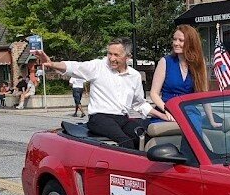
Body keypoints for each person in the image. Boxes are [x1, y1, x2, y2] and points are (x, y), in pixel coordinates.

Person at [32, 38, 169, 148]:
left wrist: (162, 115)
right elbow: (75, 67)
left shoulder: (134, 76)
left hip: (122, 118)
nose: (111, 58)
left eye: (116, 55)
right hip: (100, 118)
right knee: (125, 142)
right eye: (109, 53)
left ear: (127, 57)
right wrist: (52, 63)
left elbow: (139, 104)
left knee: (142, 138)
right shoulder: (98, 66)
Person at [150, 25, 219, 129]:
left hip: (188, 111)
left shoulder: (199, 64)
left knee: (194, 129)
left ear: (191, 43)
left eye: (181, 40)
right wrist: (166, 110)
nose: (176, 43)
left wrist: (212, 121)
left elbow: (203, 93)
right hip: (167, 109)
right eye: (174, 39)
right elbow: (154, 93)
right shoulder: (165, 62)